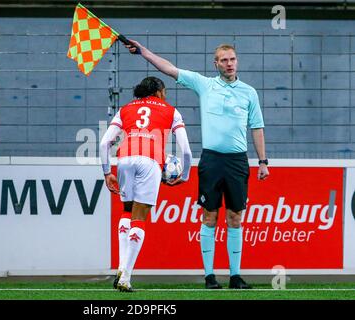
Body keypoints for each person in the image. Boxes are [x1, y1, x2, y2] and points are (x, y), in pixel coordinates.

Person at [125, 41, 269, 289]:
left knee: (235, 217)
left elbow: (257, 128)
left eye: (232, 59)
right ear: (216, 64)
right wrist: (143, 51)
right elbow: (170, 69)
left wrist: (263, 161)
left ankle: (235, 276)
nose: (229, 63)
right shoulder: (205, 85)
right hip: (211, 160)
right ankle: (209, 276)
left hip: (238, 161)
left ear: (237, 61)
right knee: (209, 216)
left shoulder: (249, 92)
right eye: (224, 60)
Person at [100, 76, 192, 292]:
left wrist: (107, 173)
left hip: (125, 158)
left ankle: (122, 267)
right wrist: (185, 175)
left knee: (127, 210)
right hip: (150, 159)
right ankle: (126, 277)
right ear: (159, 92)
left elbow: (105, 143)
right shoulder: (171, 111)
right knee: (140, 217)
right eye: (165, 91)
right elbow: (186, 150)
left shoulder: (125, 109)